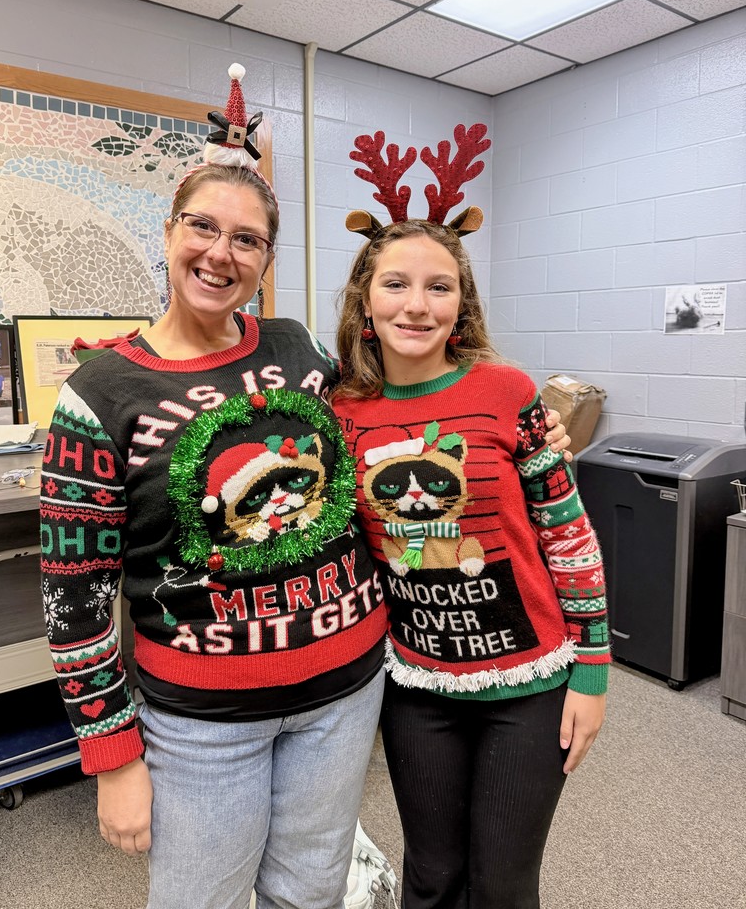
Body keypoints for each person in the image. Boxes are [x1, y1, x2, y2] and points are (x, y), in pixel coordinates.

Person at [40, 69, 570, 909]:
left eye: (248, 240)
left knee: (308, 896)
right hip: (204, 721)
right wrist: (111, 754)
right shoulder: (100, 392)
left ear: (266, 260)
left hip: (345, 694)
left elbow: (384, 445)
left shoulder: (295, 349)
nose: (222, 252)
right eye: (204, 227)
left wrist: (532, 435)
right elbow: (72, 602)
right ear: (170, 230)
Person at [332, 124, 610, 909]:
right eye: (395, 284)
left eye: (439, 286)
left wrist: (592, 671)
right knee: (430, 877)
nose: (416, 305)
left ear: (461, 302)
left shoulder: (508, 393)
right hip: (417, 684)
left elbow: (568, 533)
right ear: (364, 297)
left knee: (503, 885)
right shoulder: (339, 410)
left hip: (530, 684)